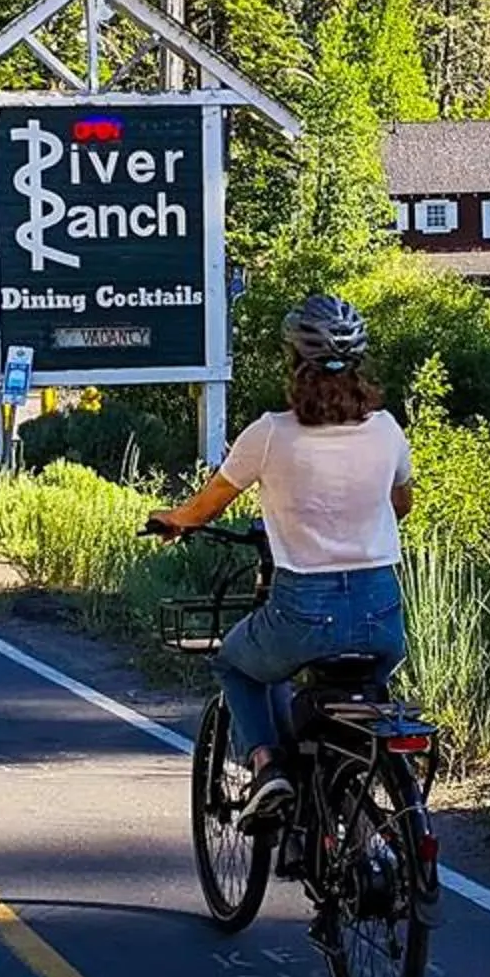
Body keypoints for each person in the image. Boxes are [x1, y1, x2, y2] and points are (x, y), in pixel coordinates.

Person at [150, 296, 411, 821]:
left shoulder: (270, 434)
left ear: (293, 364)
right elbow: (400, 503)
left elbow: (205, 506)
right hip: (381, 610)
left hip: (303, 611)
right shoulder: (387, 430)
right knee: (366, 703)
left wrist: (173, 520)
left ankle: (268, 767)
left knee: (235, 661)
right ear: (359, 368)